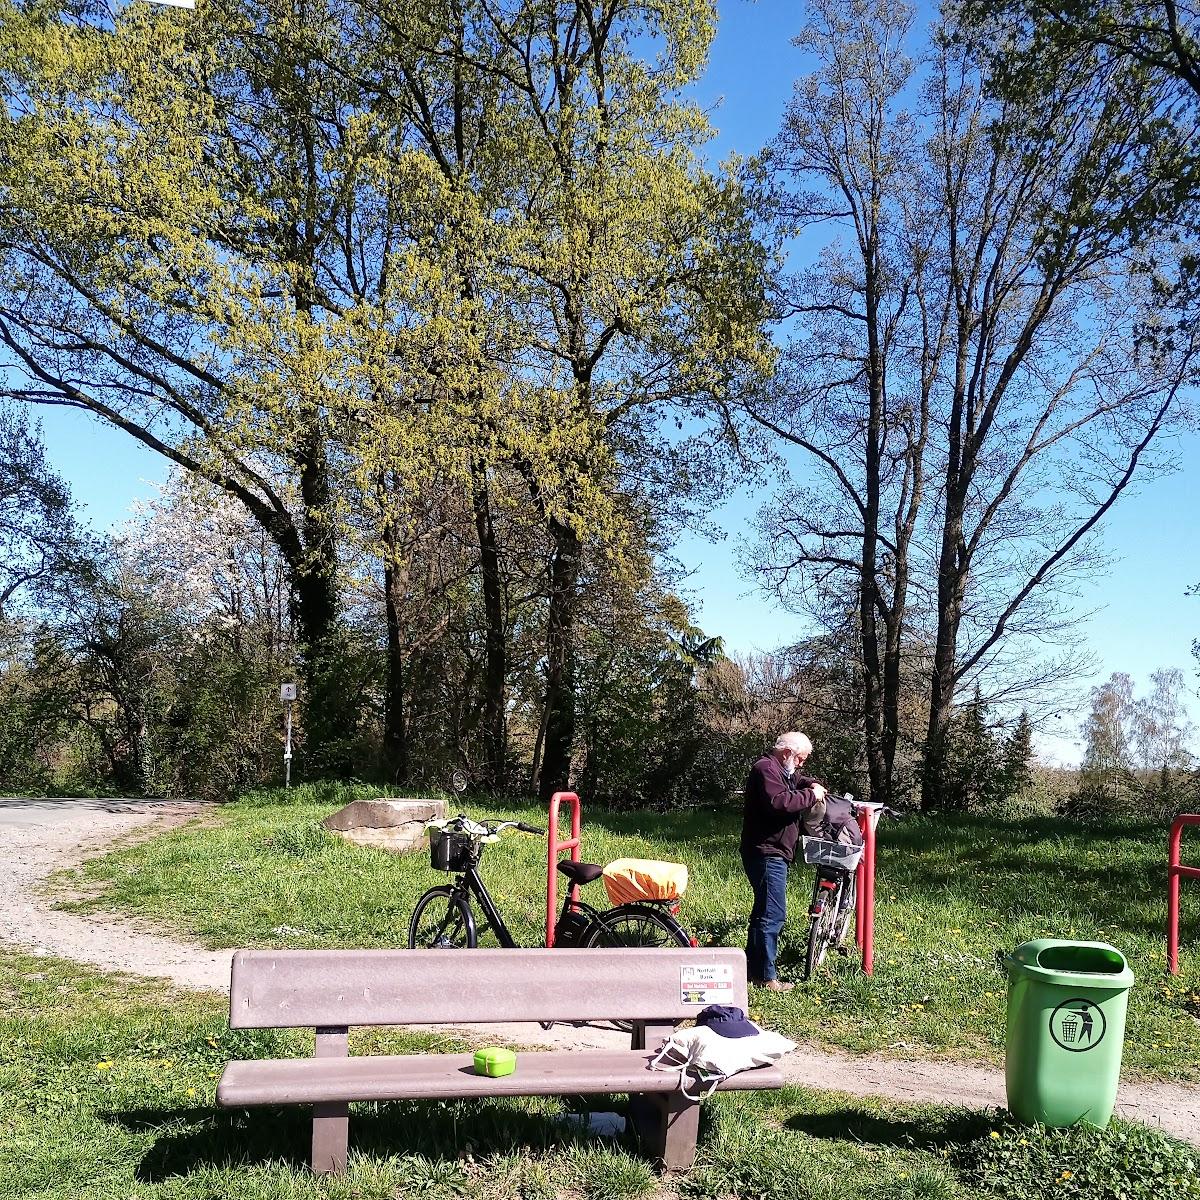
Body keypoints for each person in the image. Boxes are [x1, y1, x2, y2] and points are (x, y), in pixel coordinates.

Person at [740, 732, 827, 991]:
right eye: (801, 758)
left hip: (773, 851)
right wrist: (813, 796)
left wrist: (813, 784)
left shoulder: (783, 770)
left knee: (763, 913)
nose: (802, 764)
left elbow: (799, 779)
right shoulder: (766, 769)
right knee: (772, 915)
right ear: (787, 752)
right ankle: (767, 978)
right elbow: (779, 803)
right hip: (767, 853)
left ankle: (750, 970)